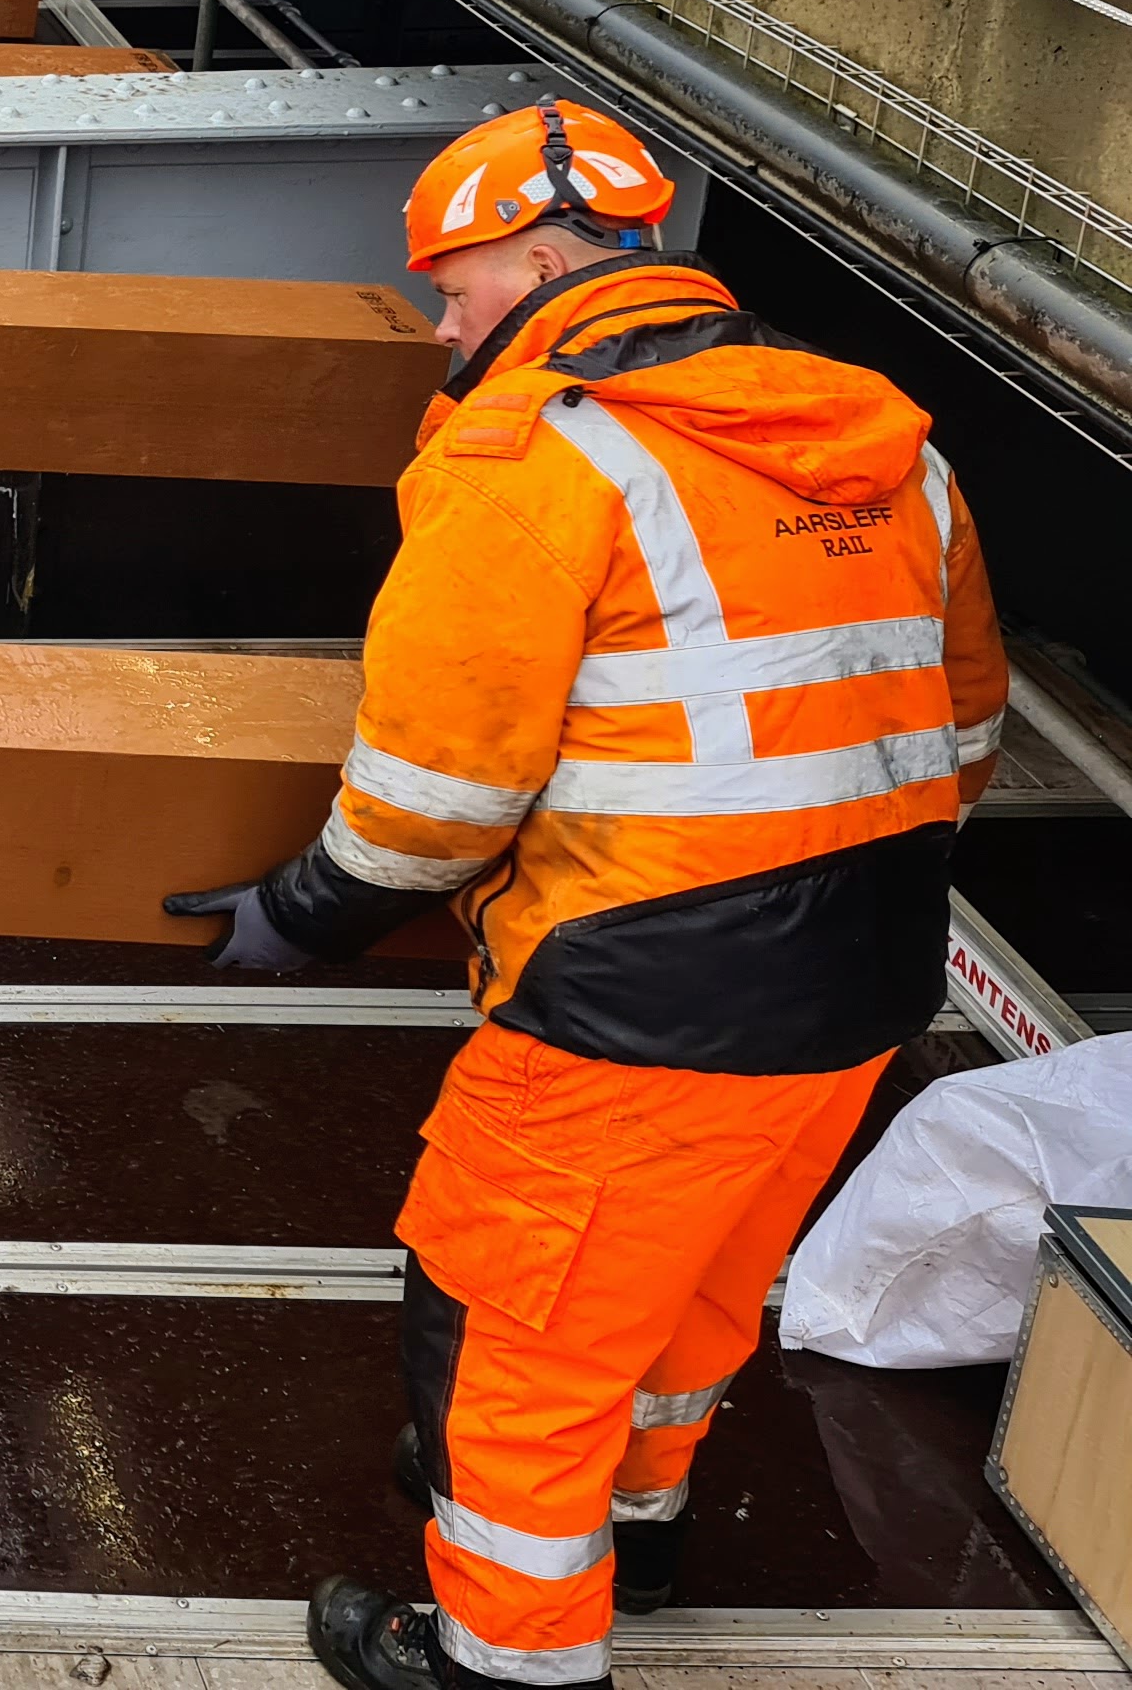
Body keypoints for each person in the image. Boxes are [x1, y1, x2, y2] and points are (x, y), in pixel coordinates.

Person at [165, 100, 1003, 1690]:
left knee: (512, 1336)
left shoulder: (536, 458)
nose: (440, 324)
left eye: (453, 287)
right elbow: (961, 733)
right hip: (865, 978)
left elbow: (436, 796)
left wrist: (305, 910)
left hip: (639, 1004)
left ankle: (504, 1657)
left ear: (547, 266)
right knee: (690, 1293)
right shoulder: (894, 450)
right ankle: (642, 1528)